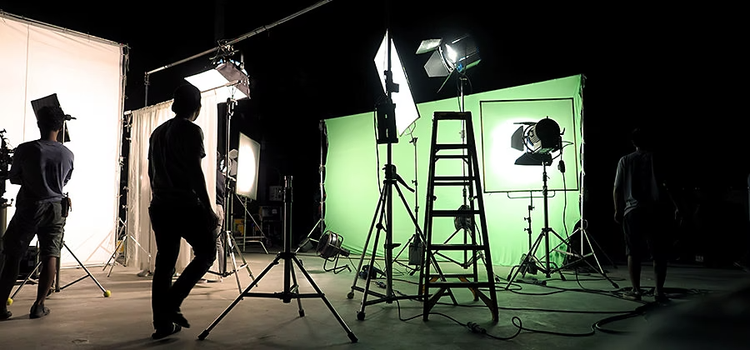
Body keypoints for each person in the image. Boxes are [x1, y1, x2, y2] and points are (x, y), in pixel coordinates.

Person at [147, 83, 218, 339]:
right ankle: (173, 302)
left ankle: (162, 324)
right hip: (184, 205)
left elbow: (150, 172)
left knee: (164, 264)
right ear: (196, 107)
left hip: (160, 205)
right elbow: (195, 173)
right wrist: (208, 209)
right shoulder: (191, 130)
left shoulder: (157, 133)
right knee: (208, 251)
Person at [0, 106, 74, 320]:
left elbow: (14, 177)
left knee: (13, 253)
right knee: (50, 254)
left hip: (31, 205)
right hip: (56, 207)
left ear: (39, 124)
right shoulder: (68, 154)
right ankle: (39, 305)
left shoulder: (26, 149)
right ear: (60, 127)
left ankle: (1, 305)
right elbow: (65, 181)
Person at [613, 127, 677, 302]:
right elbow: (668, 185)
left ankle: (636, 290)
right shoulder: (658, 159)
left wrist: (618, 210)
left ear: (633, 142)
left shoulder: (625, 161)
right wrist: (677, 206)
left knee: (633, 252)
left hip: (633, 210)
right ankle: (659, 291)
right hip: (657, 210)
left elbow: (618, 189)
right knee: (659, 253)